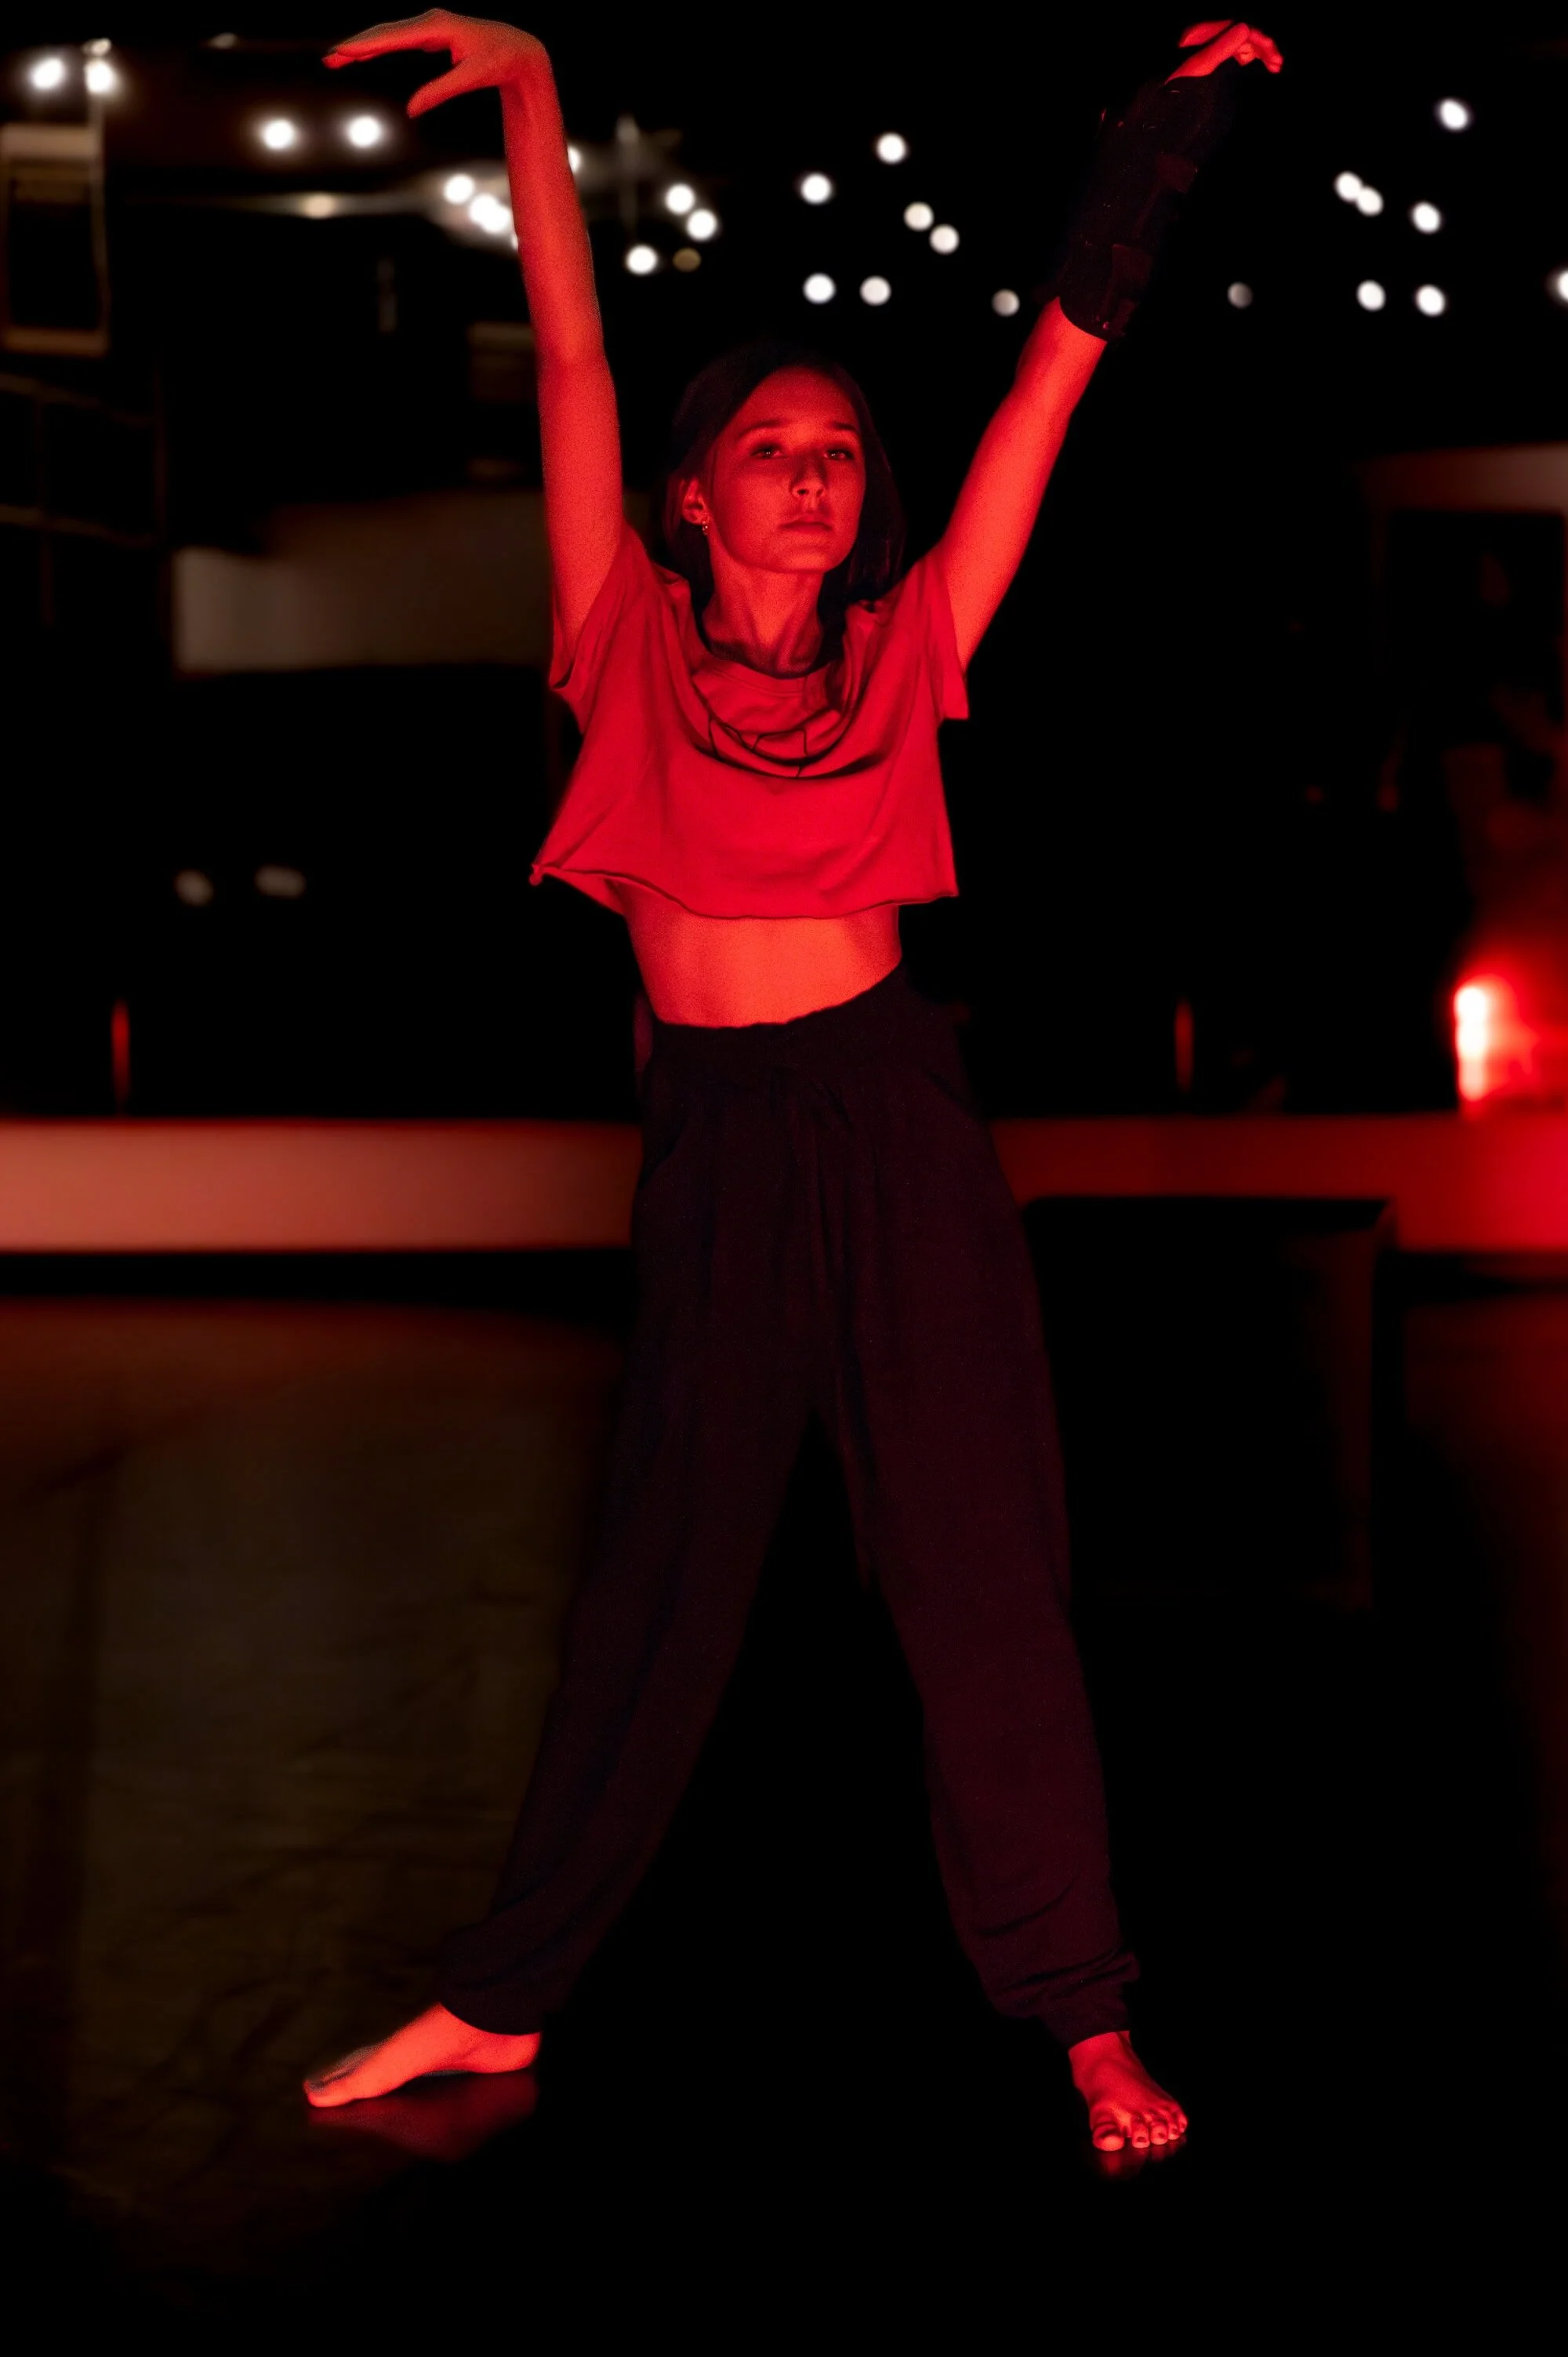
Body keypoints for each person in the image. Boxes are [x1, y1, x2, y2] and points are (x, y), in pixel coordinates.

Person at [305, 9, 1281, 2153]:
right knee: (660, 1577)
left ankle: (1085, 2014)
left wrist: (1158, 150)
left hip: (889, 1114)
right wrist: (538, 97)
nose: (819, 472)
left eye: (841, 448)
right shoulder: (617, 635)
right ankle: (502, 1994)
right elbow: (575, 361)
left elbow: (1046, 389)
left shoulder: (913, 644)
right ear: (695, 492)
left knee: (977, 1566)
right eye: (774, 446)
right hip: (721, 1135)